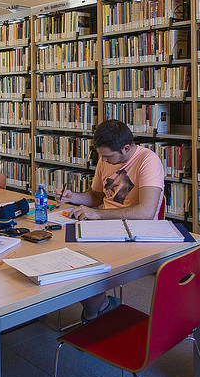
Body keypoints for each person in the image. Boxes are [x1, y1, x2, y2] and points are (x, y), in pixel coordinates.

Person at [55, 119, 164, 322]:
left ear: (125, 148)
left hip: (136, 232)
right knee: (62, 252)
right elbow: (96, 197)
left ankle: (95, 311)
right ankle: (98, 307)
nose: (103, 161)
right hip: (106, 227)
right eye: (101, 156)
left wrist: (98, 214)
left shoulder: (148, 161)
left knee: (83, 265)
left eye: (107, 156)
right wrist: (73, 197)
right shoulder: (106, 160)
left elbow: (146, 213)